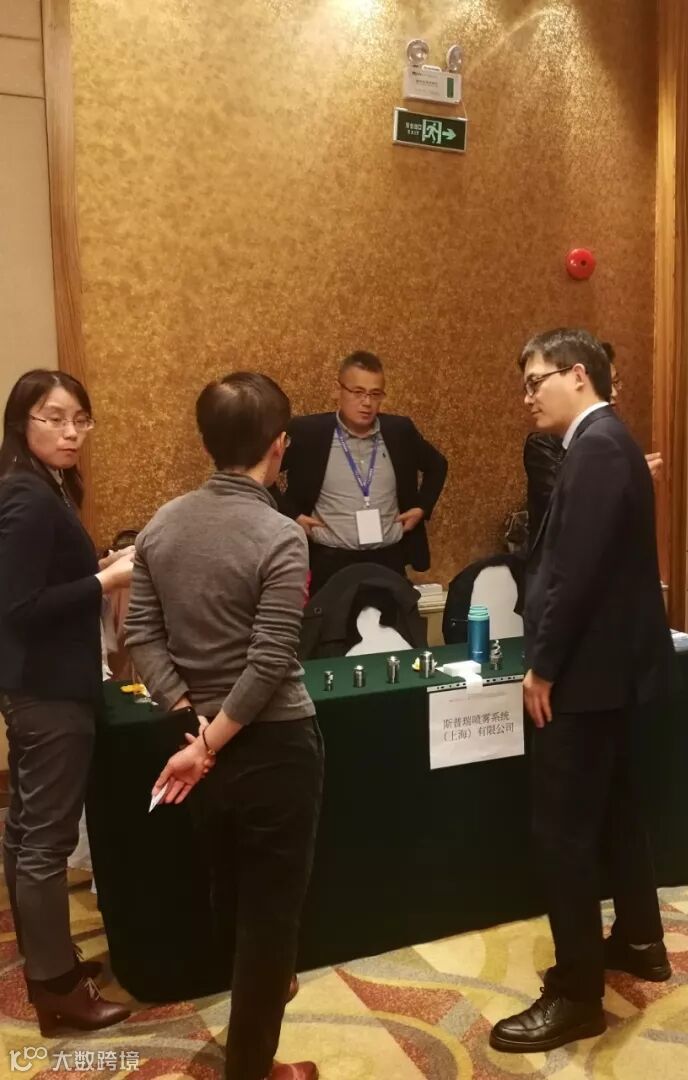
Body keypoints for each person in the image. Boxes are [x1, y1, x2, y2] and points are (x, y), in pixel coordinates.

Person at [125, 373, 323, 1080]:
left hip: (196, 743)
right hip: (271, 746)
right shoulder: (280, 534)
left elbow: (141, 634)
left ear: (208, 441)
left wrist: (191, 724)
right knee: (270, 915)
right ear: (279, 445)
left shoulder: (162, 523)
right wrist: (207, 739)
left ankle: (260, 1006)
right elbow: (270, 662)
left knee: (233, 893)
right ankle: (252, 1068)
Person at [490, 329, 674, 1054]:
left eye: (536, 381)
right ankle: (640, 940)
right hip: (611, 670)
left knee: (562, 832)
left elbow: (574, 573)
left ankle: (577, 995)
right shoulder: (606, 442)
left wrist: (542, 666)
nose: (526, 396)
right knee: (618, 808)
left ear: (576, 375)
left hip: (586, 674)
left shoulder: (596, 448)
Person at [0, 369, 132, 1034]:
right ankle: (56, 988)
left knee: (27, 830)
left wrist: (95, 568)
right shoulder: (26, 495)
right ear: (21, 421)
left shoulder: (42, 483)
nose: (71, 432)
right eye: (53, 418)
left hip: (39, 682)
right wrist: (108, 579)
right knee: (45, 840)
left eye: (80, 418)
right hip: (47, 688)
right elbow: (18, 606)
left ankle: (47, 961)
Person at [275, 351, 447, 593]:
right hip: (329, 561)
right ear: (338, 390)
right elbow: (263, 472)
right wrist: (291, 515)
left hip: (388, 559)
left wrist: (422, 507)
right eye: (358, 392)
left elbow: (437, 465)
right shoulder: (308, 433)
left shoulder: (400, 432)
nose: (367, 402)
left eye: (375, 394)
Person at [523, 342, 660, 545]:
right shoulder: (543, 446)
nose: (614, 393)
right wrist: (624, 479)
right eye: (606, 383)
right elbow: (564, 511)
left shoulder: (612, 435)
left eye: (616, 382)